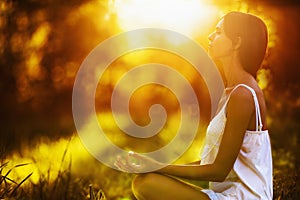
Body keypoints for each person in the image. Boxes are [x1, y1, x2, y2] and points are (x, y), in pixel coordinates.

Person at [115, 11, 273, 200]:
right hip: (227, 194)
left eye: (218, 32)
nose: (210, 36)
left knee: (146, 184)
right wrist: (154, 166)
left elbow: (218, 171)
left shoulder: (243, 94)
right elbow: (213, 163)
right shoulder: (232, 91)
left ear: (237, 42)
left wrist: (157, 166)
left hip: (243, 198)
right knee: (146, 180)